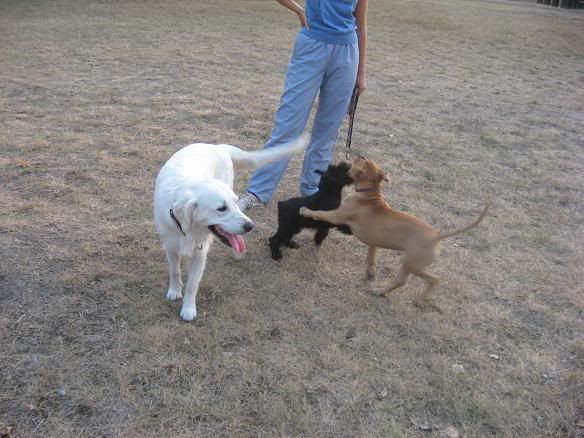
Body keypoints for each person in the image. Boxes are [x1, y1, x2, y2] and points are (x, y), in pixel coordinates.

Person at [238, 0, 368, 211]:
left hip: (347, 54)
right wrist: (299, 10)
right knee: (288, 124)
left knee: (328, 131)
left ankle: (313, 192)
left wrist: (361, 73)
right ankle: (257, 192)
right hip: (311, 47)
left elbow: (361, 25)